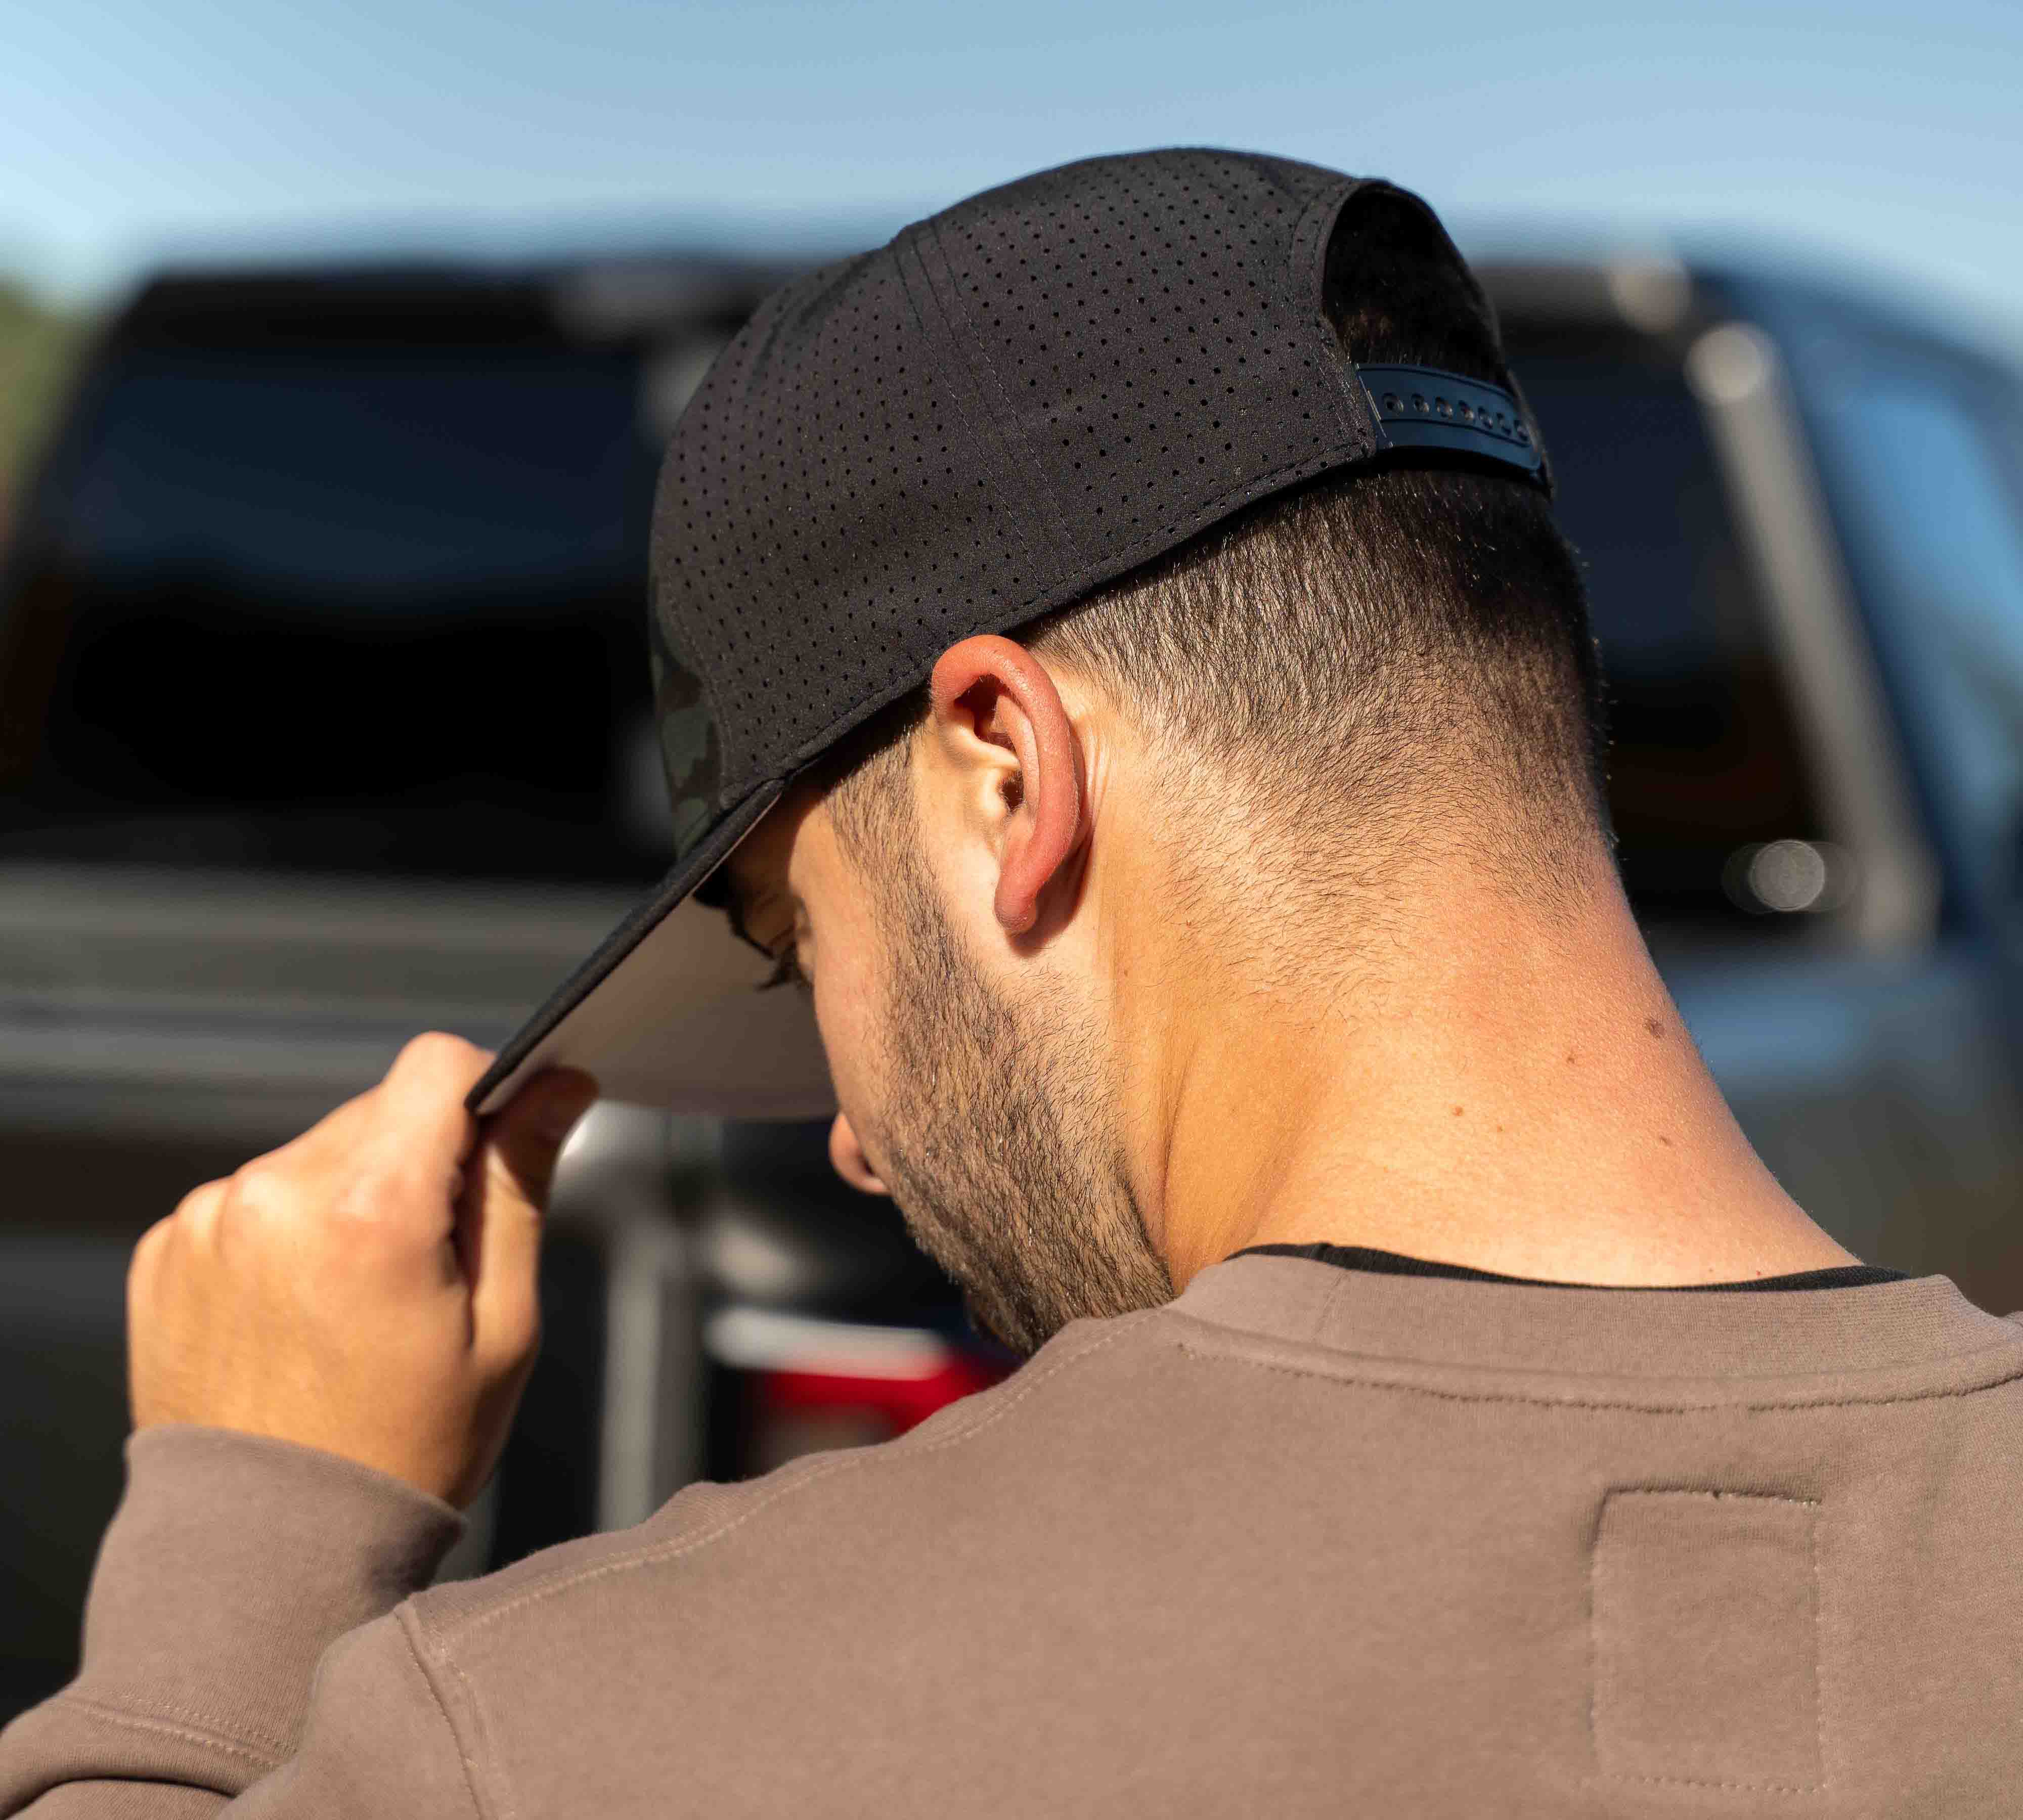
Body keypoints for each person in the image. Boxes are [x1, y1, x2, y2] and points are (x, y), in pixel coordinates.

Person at [5, 149, 2019, 1818]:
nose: (856, 1141)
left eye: (802, 943)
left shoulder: (582, 1741)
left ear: (1006, 778)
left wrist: (241, 1559)